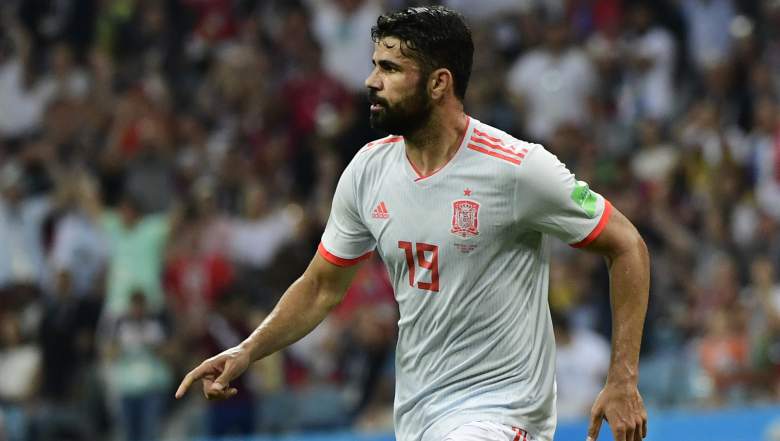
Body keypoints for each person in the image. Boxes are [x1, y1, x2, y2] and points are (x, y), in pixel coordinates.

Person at [175, 6, 650, 441]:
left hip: (501, 417)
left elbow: (626, 243)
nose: (371, 81)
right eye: (374, 66)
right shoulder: (368, 171)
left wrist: (623, 379)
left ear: (439, 83)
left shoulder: (516, 169)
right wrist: (247, 350)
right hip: (419, 418)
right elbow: (321, 287)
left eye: (390, 69)